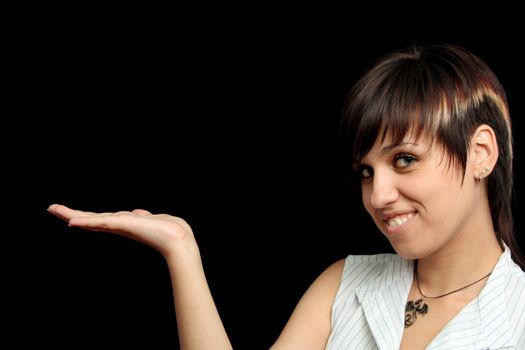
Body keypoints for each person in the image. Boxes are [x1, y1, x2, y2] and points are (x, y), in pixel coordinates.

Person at [48, 43, 525, 349]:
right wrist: (182, 250)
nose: (377, 196)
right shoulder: (346, 282)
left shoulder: (517, 317)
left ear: (481, 152)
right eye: (365, 171)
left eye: (404, 160)